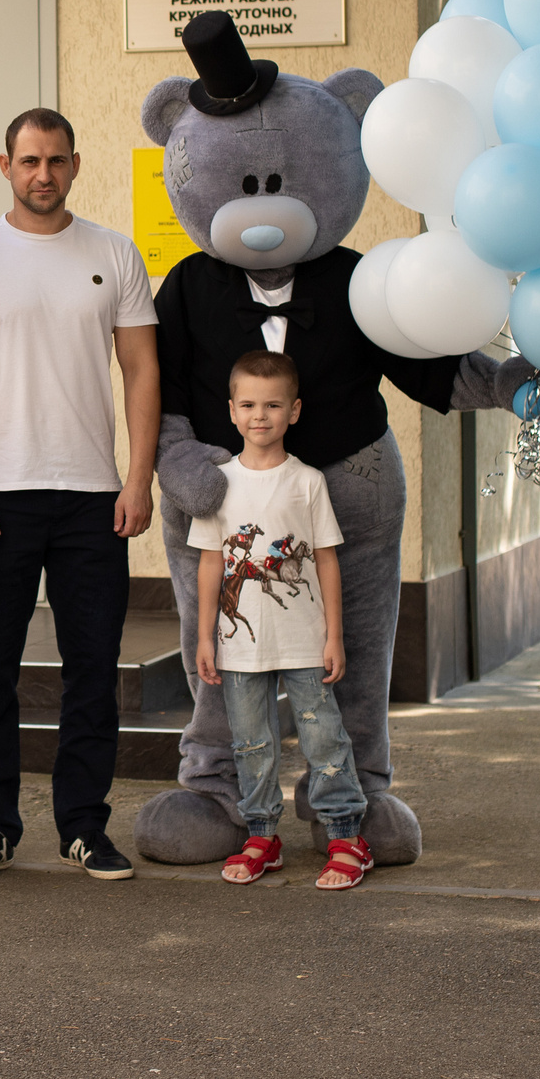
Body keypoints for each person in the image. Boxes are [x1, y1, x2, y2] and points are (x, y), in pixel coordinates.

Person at [0, 107, 158, 882]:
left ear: (75, 164)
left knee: (92, 665)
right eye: (30, 161)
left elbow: (141, 372)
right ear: (5, 166)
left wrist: (138, 476)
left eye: (57, 160)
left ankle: (84, 825)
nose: (44, 174)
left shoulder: (113, 253)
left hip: (94, 495)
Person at [189, 349, 369, 891]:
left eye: (271, 405)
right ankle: (262, 835)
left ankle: (346, 836)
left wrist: (334, 635)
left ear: (293, 411)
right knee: (251, 743)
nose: (259, 415)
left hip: (304, 642)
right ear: (231, 410)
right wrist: (203, 636)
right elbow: (211, 562)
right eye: (248, 404)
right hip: (239, 646)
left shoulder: (307, 481)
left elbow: (328, 559)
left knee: (323, 738)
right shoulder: (217, 484)